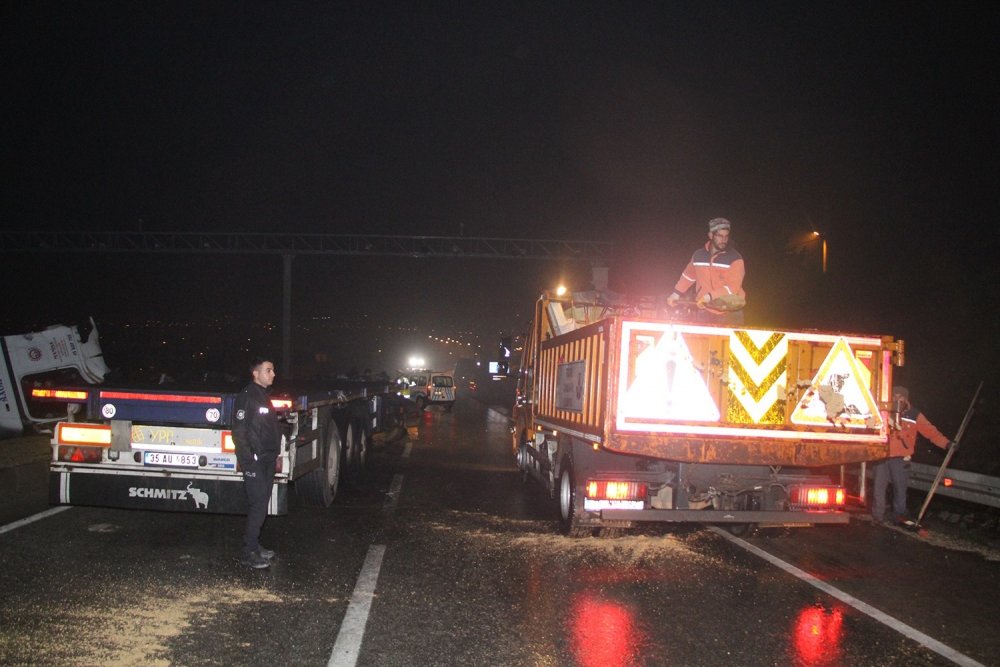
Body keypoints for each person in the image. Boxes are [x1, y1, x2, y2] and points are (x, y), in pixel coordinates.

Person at [872, 386, 953, 527]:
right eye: (895, 396)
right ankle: (878, 517)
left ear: (906, 398)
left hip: (901, 458)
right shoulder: (883, 412)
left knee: (900, 489)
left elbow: (930, 432)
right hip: (881, 456)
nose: (897, 399)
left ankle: (899, 517)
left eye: (901, 396)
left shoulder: (914, 415)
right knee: (878, 488)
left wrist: (946, 444)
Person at [232, 356, 282, 568]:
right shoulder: (248, 396)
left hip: (267, 459)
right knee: (258, 504)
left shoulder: (263, 395)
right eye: (268, 370)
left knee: (262, 504)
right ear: (256, 373)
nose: (273, 374)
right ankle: (248, 551)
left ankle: (255, 545)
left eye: (273, 370)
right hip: (256, 462)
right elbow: (239, 431)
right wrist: (248, 460)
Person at [666, 217, 746, 325]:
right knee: (701, 341)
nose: (724, 240)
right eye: (719, 236)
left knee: (731, 342)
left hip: (730, 311)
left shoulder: (735, 258)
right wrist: (676, 294)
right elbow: (688, 276)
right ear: (710, 235)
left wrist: (709, 296)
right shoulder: (698, 255)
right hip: (705, 309)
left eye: (726, 236)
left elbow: (733, 287)